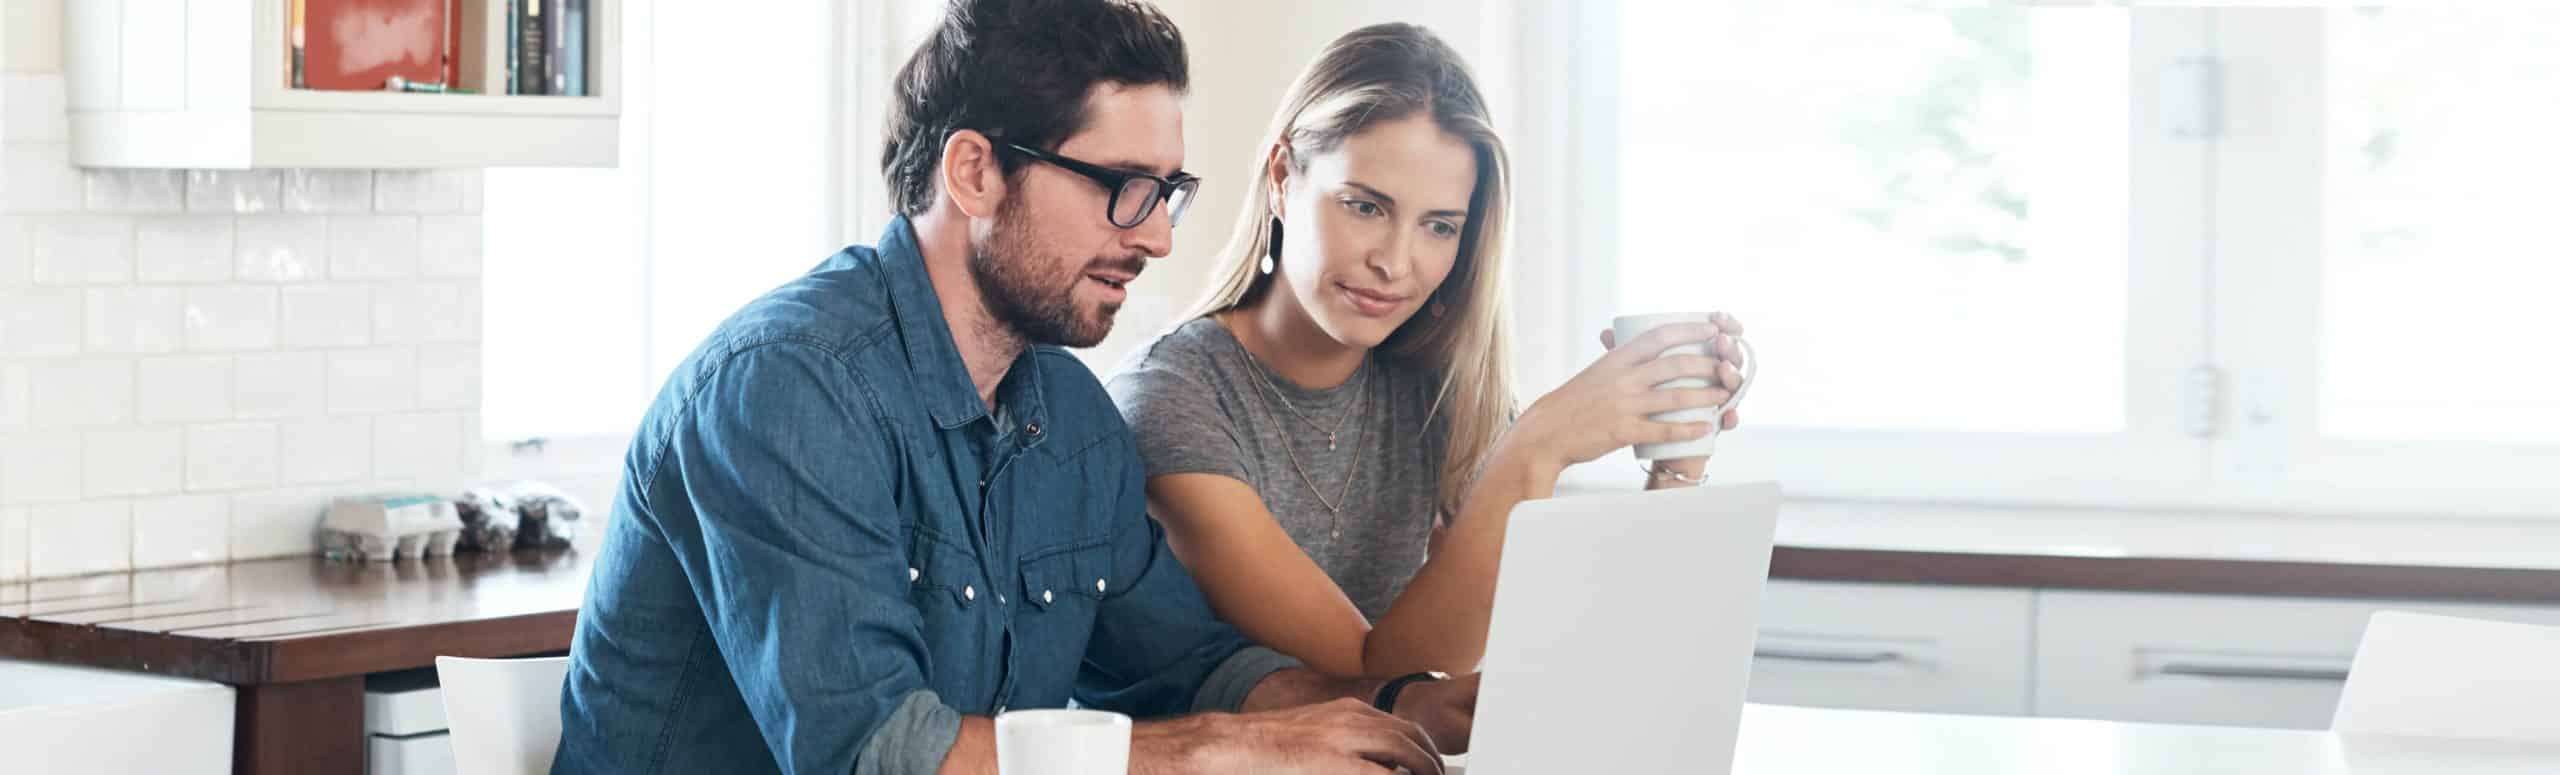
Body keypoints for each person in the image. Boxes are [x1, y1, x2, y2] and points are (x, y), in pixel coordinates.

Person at [554, 3, 1472, 773]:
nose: (1156, 238)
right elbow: (883, 751)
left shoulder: (1070, 418)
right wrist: (1223, 749)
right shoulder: (785, 389)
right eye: (1122, 187)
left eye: (1167, 192)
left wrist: (1396, 710)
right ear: (975, 172)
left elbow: (1193, 667)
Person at [1107, 23, 1752, 681]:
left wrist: (1677, 456)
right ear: (1282, 177)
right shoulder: (1170, 397)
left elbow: (1563, 648)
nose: (1395, 262)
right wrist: (1538, 445)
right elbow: (1373, 676)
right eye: (1364, 206)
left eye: (1439, 225)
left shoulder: (1435, 391)